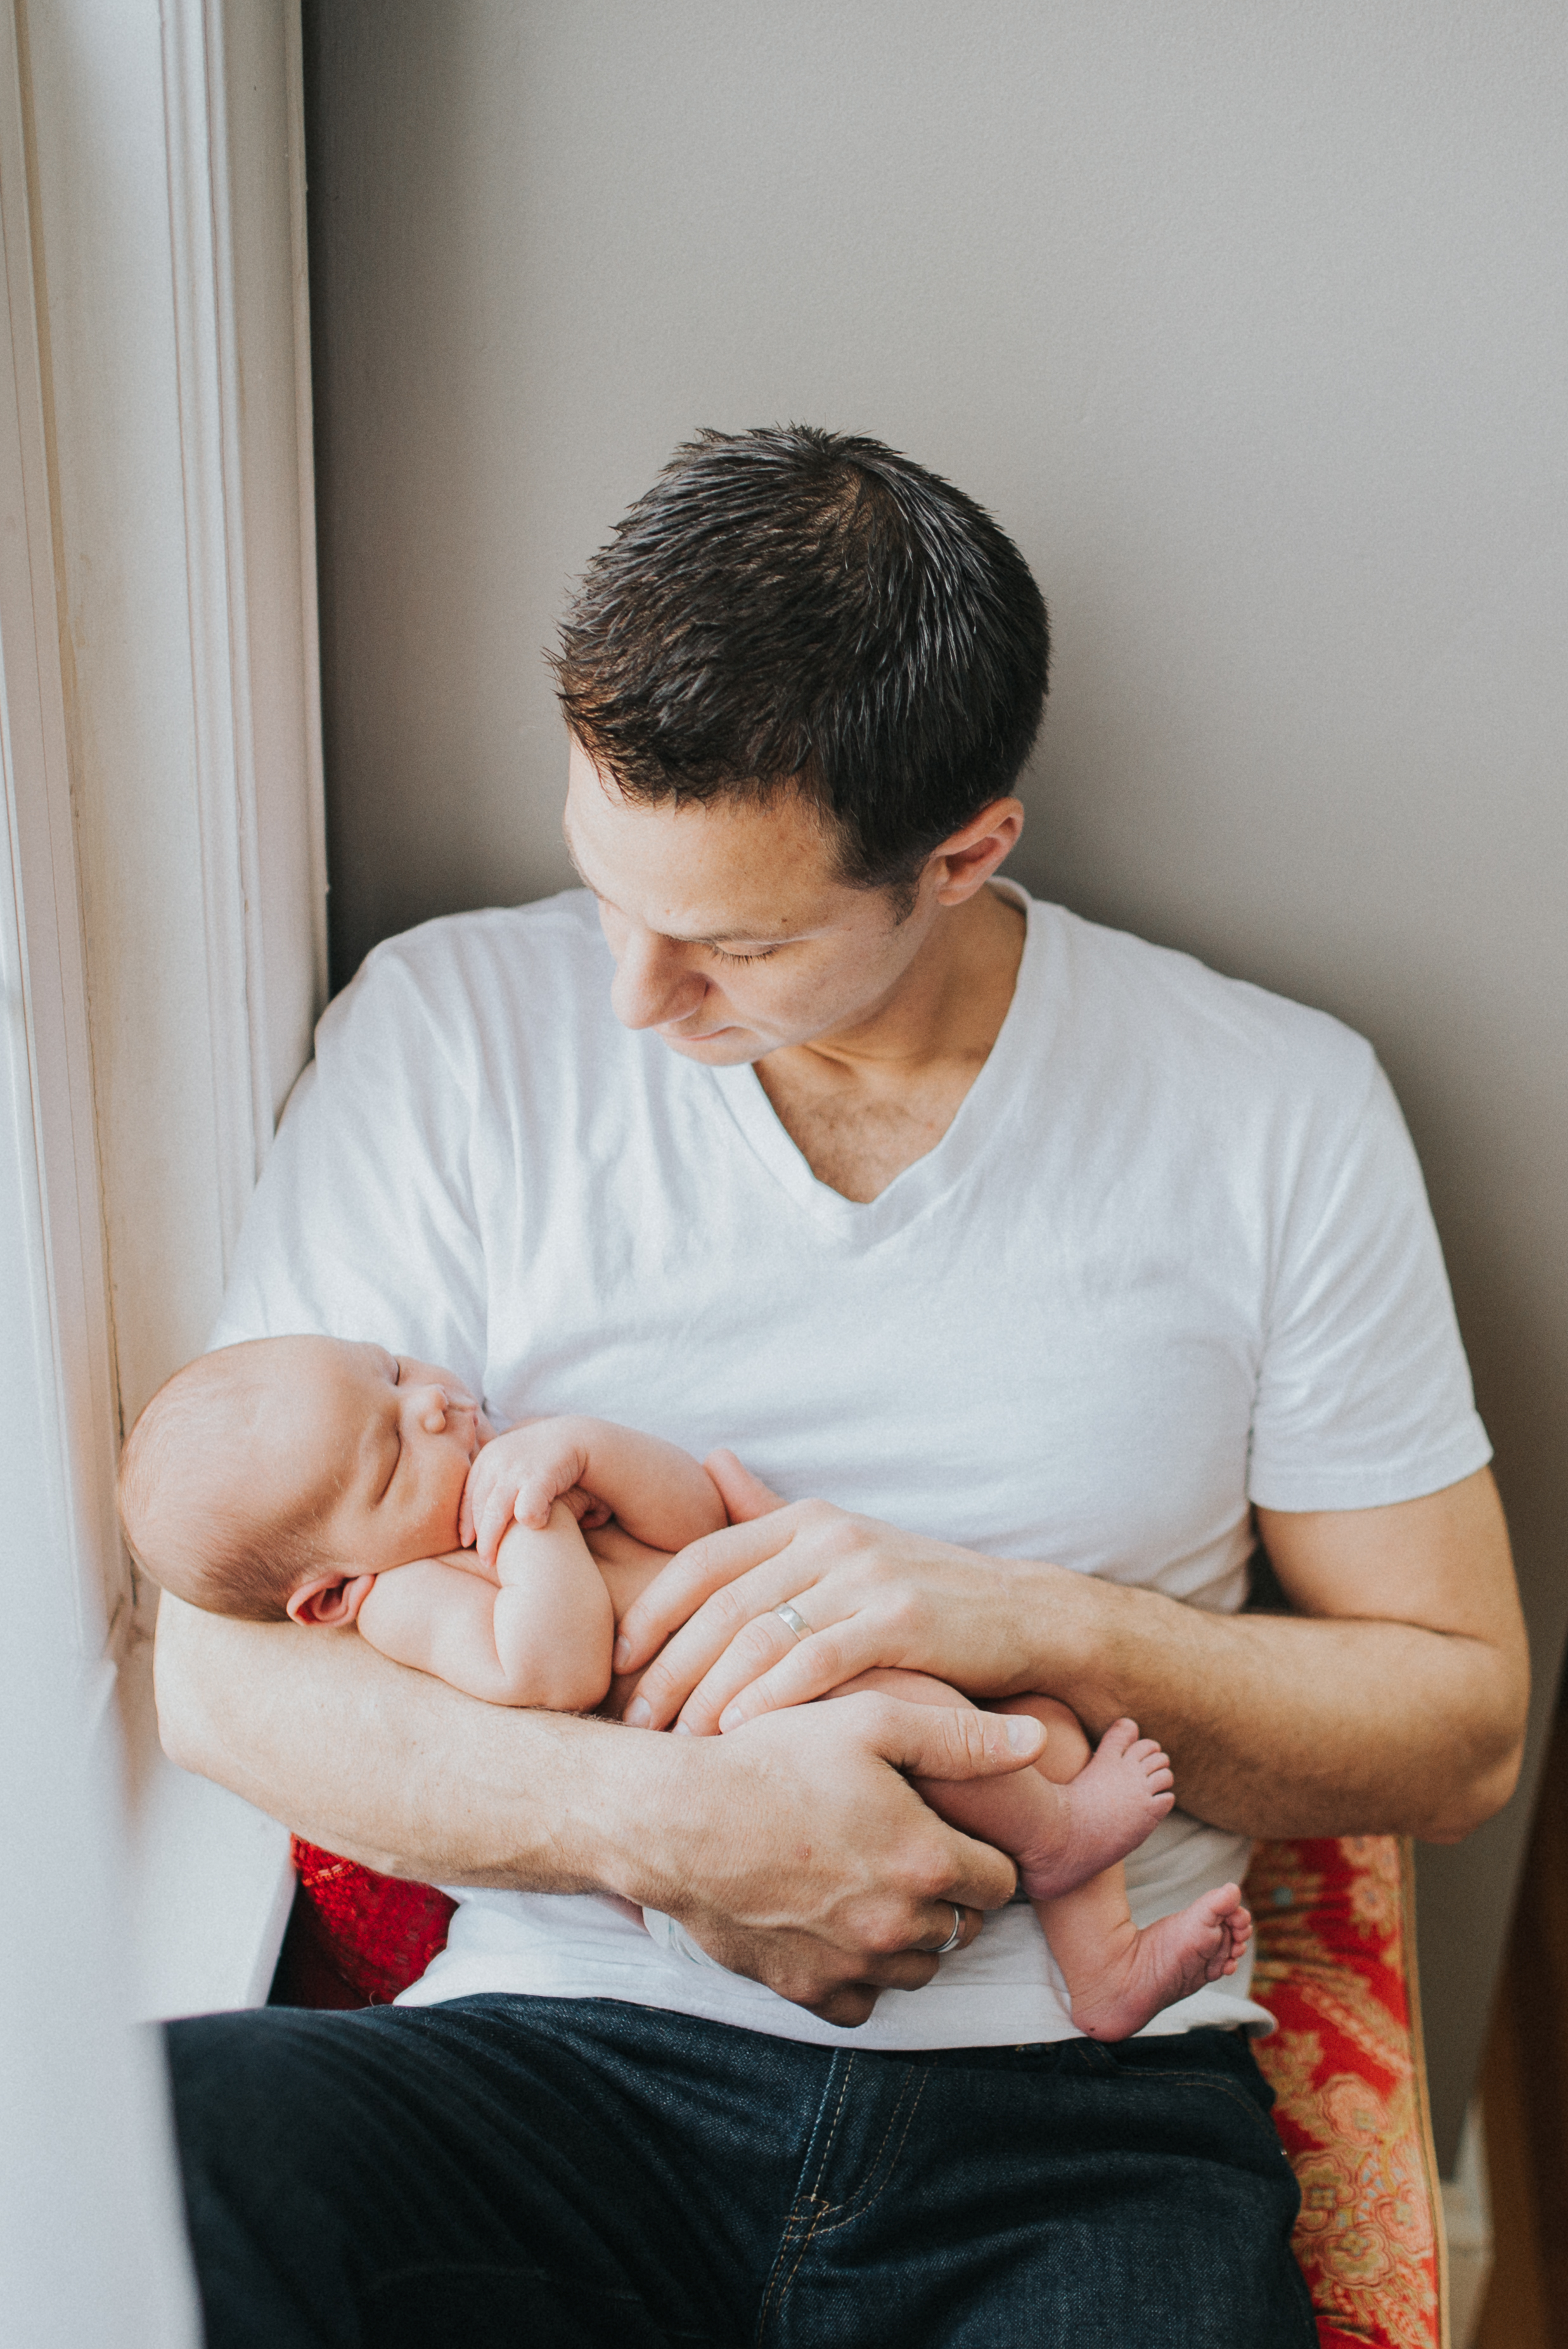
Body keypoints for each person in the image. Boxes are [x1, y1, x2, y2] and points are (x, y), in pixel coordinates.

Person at [156, 425, 1528, 2348]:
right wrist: (672, 1831)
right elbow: (220, 1660)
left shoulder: (1273, 1111)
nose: (632, 999)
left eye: (732, 942)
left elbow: (1456, 1728)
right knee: (140, 2161)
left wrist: (1027, 1618)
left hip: (1070, 2123)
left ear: (960, 855)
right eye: (606, 892)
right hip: (560, 2068)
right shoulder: (449, 1034)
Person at [122, 1333, 1250, 2040]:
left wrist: (587, 1451)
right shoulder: (413, 1589)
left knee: (1040, 1725)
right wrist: (534, 1526)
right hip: (760, 1743)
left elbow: (691, 1515)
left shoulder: (504, 1471)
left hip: (794, 1656)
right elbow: (548, 1671)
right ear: (327, 1594)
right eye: (387, 1453)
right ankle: (1053, 1841)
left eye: (396, 1369)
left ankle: (1102, 1967)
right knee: (956, 1738)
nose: (429, 1406)